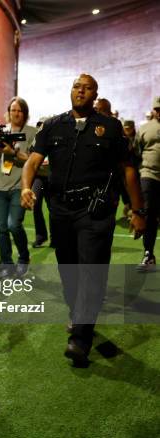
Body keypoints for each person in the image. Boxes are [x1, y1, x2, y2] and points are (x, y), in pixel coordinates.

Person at [21, 73, 146, 366]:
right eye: (77, 87)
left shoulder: (111, 128)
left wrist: (137, 211)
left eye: (87, 88)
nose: (81, 92)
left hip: (95, 212)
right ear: (71, 91)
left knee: (91, 270)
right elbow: (34, 161)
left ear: (95, 94)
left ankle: (80, 339)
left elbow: (128, 170)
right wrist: (26, 187)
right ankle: (77, 312)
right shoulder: (53, 125)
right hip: (61, 210)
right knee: (68, 269)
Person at [0, 97, 36, 278]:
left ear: (25, 113)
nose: (16, 113)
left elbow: (33, 160)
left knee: (14, 225)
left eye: (19, 110)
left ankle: (23, 258)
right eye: (13, 110)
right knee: (1, 228)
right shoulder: (0, 132)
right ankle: (7, 265)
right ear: (8, 112)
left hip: (19, 186)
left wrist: (12, 152)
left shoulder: (31, 132)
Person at [134, 96, 160, 272]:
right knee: (149, 214)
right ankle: (148, 254)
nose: (159, 112)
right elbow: (136, 152)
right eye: (157, 109)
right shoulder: (144, 129)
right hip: (148, 174)